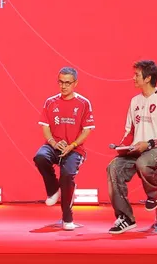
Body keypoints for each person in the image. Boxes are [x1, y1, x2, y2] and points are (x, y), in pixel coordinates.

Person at [107, 60, 157, 234]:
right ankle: (125, 218)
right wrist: (122, 147)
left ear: (148, 78)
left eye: (137, 75)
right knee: (113, 167)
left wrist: (150, 143)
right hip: (136, 150)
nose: (133, 78)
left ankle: (154, 194)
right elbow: (129, 131)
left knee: (143, 162)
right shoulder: (135, 101)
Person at [34, 67, 95, 230]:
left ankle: (67, 218)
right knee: (40, 157)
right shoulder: (50, 102)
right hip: (54, 146)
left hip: (74, 149)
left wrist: (72, 145)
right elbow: (45, 126)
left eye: (67, 83)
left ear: (75, 83)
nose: (63, 86)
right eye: (60, 82)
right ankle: (54, 189)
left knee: (67, 175)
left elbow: (87, 130)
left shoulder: (83, 103)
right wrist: (53, 143)